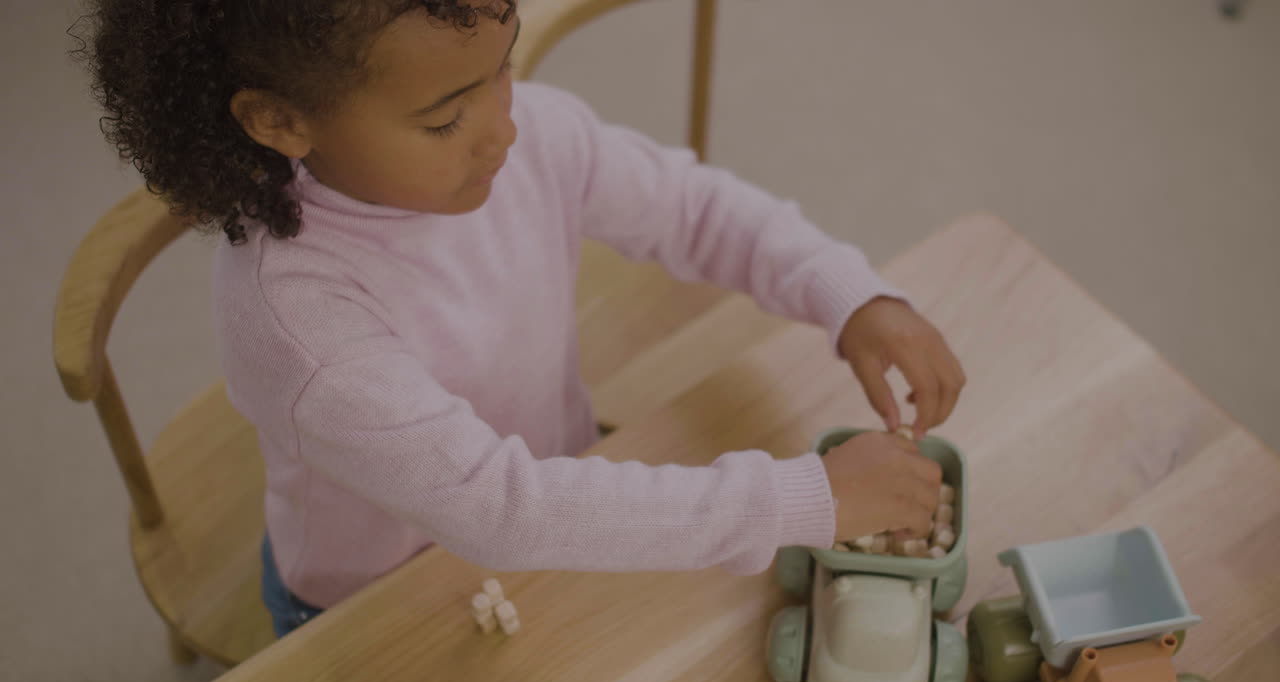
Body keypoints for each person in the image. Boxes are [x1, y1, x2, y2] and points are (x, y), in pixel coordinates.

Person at [79, 0, 964, 637]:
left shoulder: (530, 132)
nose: (504, 125)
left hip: (559, 493)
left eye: (500, 63)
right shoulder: (297, 321)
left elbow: (690, 208)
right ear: (281, 121)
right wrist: (800, 499)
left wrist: (846, 293)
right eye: (446, 116)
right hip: (373, 603)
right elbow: (498, 510)